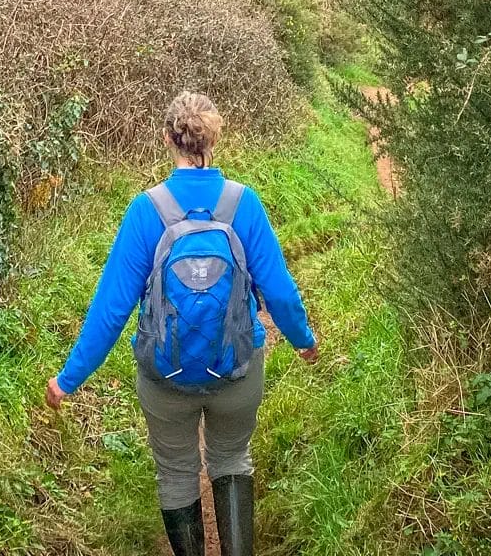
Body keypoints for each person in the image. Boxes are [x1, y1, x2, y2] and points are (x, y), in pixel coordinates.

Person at [45, 91, 318, 556]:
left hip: (164, 378)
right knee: (232, 458)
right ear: (215, 139)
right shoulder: (242, 204)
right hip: (237, 369)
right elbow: (280, 292)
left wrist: (68, 380)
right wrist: (303, 341)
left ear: (168, 139)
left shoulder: (145, 211)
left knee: (175, 472)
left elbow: (110, 310)